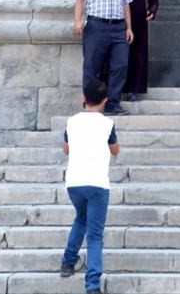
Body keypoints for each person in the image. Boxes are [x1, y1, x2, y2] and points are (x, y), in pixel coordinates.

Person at [59, 76, 119, 292]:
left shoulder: (72, 122)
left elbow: (66, 148)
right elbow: (115, 149)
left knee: (81, 218)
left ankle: (68, 261)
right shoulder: (107, 124)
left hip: (74, 181)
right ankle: (92, 284)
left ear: (83, 97)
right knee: (94, 235)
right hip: (97, 183)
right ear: (105, 100)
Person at [73, 0, 133, 116]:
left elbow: (126, 4)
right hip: (96, 25)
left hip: (118, 27)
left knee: (120, 65)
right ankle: (90, 104)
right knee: (92, 66)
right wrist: (77, 20)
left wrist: (129, 28)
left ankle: (113, 103)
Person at [121, 0, 160, 101]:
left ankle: (133, 89)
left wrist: (152, 9)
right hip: (119, 17)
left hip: (138, 18)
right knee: (119, 54)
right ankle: (116, 88)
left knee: (137, 53)